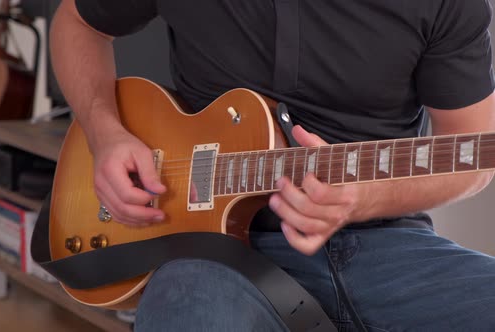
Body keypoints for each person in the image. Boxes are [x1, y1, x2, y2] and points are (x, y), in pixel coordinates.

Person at [49, 0, 495, 330]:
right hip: (220, 253)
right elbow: (77, 22)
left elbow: (474, 157)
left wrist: (363, 198)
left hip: (390, 248)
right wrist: (105, 133)